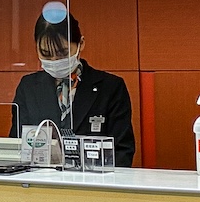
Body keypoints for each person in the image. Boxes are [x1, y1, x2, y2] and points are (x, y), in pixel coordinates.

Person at [10, 9, 135, 167]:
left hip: (95, 179)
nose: (55, 60)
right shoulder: (28, 87)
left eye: (63, 53)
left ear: (81, 44)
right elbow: (16, 145)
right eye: (46, 54)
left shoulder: (110, 87)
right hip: (40, 178)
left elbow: (122, 151)